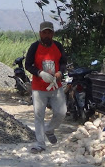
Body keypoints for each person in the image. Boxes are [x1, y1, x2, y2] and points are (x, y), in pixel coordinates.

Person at [25, 21, 67, 154]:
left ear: (53, 34)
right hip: (39, 88)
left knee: (61, 112)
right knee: (39, 115)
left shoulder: (58, 46)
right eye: (45, 32)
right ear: (40, 33)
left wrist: (60, 72)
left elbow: (63, 63)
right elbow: (28, 65)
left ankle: (49, 129)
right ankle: (40, 144)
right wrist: (39, 73)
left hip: (56, 86)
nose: (47, 35)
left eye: (49, 32)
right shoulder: (34, 47)